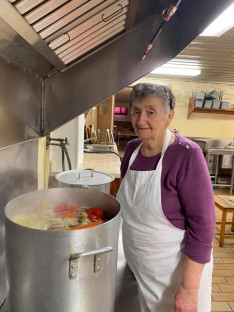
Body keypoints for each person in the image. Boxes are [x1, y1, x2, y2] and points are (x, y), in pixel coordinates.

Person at [116, 83, 215, 312]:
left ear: (169, 117)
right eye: (136, 111)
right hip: (141, 272)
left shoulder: (186, 155)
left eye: (151, 112)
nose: (141, 120)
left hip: (175, 278)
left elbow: (203, 226)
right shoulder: (131, 150)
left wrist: (189, 290)